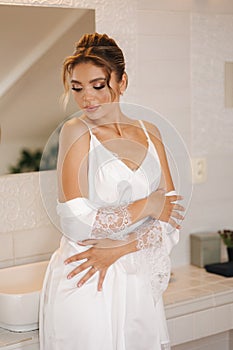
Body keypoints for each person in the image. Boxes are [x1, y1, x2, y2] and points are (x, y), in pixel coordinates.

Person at [39, 32, 185, 350]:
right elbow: (75, 222)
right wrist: (148, 204)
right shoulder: (75, 132)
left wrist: (119, 249)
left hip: (137, 279)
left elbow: (172, 219)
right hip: (87, 275)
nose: (87, 98)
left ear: (122, 81)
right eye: (77, 88)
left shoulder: (151, 132)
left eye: (98, 85)